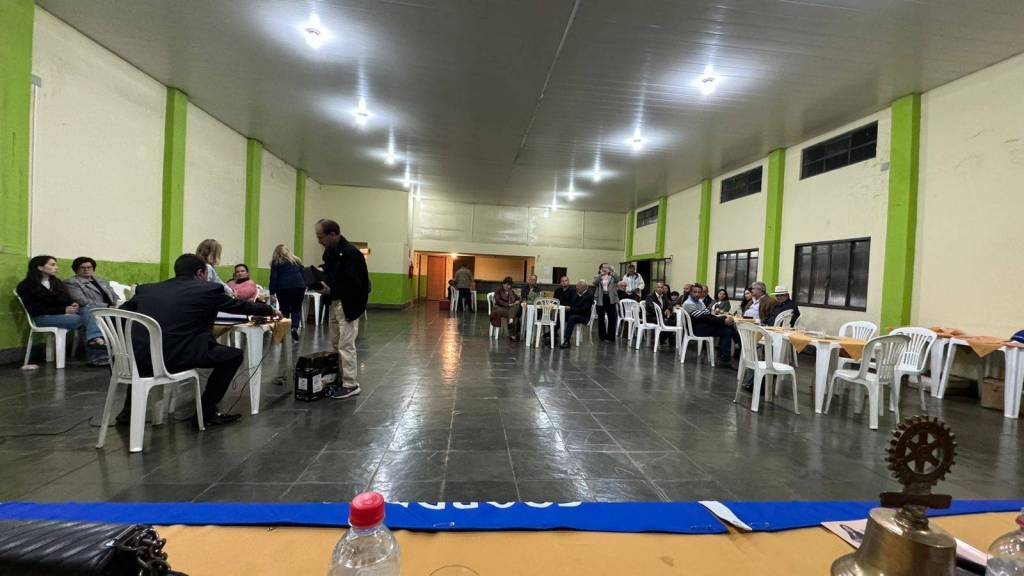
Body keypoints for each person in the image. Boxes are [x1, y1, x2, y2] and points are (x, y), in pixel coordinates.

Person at [118, 254, 277, 427]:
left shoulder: (148, 289)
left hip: (136, 359)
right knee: (233, 356)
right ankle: (206, 413)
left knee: (148, 351)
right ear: (200, 272)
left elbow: (119, 314)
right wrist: (270, 310)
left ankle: (127, 413)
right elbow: (240, 306)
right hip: (175, 359)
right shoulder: (208, 289)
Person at [16, 255, 109, 366]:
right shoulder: (26, 286)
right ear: (40, 267)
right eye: (52, 265)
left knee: (87, 310)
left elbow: (65, 299)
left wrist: (72, 304)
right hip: (43, 318)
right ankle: (97, 351)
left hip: (63, 315)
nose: (56, 267)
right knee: (86, 319)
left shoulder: (56, 282)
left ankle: (95, 341)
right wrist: (63, 310)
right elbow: (35, 310)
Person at [315, 219, 371, 399]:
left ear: (333, 234)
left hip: (348, 304)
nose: (319, 241)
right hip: (334, 302)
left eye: (321, 237)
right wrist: (320, 273)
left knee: (346, 345)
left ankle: (350, 384)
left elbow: (353, 284)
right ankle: (338, 377)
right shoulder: (329, 251)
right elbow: (333, 274)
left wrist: (332, 290)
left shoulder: (351, 253)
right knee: (335, 344)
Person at [682, 283, 740, 367]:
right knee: (727, 328)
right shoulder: (689, 303)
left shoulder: (699, 302)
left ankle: (726, 357)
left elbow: (708, 315)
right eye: (695, 292)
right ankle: (738, 346)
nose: (697, 294)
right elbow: (703, 318)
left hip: (703, 326)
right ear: (690, 292)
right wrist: (723, 320)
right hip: (697, 330)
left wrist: (723, 319)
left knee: (727, 330)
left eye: (699, 292)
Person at [269, 244, 306, 341]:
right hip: (299, 287)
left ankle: (283, 331)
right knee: (296, 308)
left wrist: (272, 292)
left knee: (284, 309)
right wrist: (304, 285)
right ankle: (294, 328)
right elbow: (303, 274)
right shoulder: (296, 261)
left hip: (283, 288)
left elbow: (273, 278)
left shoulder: (276, 262)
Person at [560, 280, 594, 348]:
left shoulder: (589, 295)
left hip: (584, 316)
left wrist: (571, 309)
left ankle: (567, 340)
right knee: (560, 315)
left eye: (578, 286)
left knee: (572, 318)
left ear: (584, 287)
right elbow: (573, 304)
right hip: (576, 313)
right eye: (576, 286)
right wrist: (569, 308)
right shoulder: (577, 293)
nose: (576, 288)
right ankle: (553, 334)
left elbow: (584, 310)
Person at [592, 263, 619, 342]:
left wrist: (611, 272)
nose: (605, 268)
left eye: (607, 267)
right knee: (601, 317)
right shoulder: (598, 276)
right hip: (601, 297)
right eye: (603, 267)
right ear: (601, 268)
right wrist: (601, 275)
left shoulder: (612, 276)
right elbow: (594, 283)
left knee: (612, 318)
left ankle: (611, 337)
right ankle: (602, 336)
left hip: (611, 298)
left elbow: (617, 279)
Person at [491, 276, 521, 342]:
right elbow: (498, 300)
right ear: (503, 284)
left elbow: (516, 298)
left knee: (517, 305)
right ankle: (513, 334)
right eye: (507, 285)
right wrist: (508, 304)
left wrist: (518, 300)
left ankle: (510, 320)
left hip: (510, 310)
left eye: (509, 285)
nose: (508, 287)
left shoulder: (511, 291)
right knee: (514, 315)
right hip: (501, 308)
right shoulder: (498, 290)